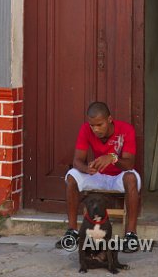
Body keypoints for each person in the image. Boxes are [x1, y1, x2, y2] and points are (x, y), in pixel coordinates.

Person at [55, 101, 141, 252]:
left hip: (118, 177)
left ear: (109, 119)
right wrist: (86, 169)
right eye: (92, 125)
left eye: (99, 125)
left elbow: (129, 165)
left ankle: (131, 235)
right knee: (72, 177)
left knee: (132, 178)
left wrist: (112, 158)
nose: (95, 129)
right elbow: (77, 161)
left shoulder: (126, 129)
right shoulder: (85, 129)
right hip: (97, 175)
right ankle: (72, 232)